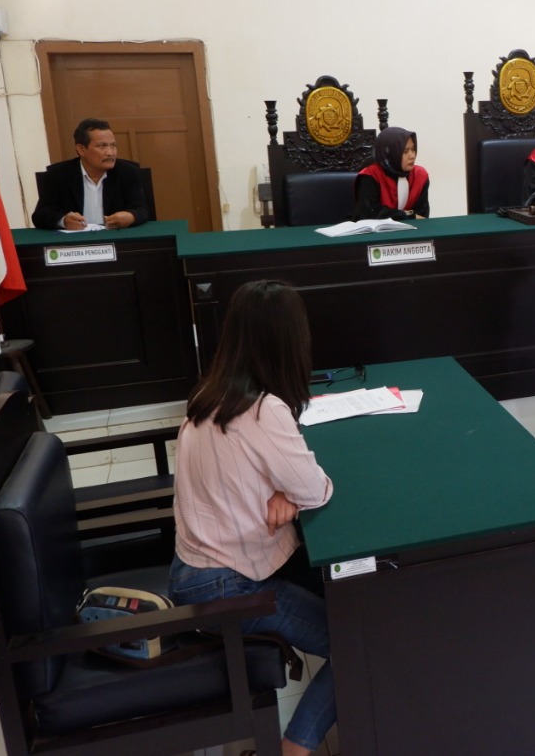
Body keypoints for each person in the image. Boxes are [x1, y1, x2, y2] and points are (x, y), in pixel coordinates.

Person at [168, 280, 335, 756]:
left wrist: (287, 492)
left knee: (345, 592)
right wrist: (294, 493)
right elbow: (317, 488)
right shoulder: (263, 410)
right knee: (363, 636)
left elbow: (281, 483)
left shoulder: (207, 395)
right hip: (230, 587)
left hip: (195, 570)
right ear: (288, 341)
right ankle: (294, 750)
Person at [31, 118, 148, 230]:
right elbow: (40, 215)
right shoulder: (58, 175)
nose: (110, 152)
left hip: (116, 240)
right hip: (75, 244)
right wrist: (63, 221)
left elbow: (142, 210)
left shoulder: (128, 173)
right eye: (102, 146)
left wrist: (131, 217)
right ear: (81, 149)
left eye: (113, 145)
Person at [352, 126, 430, 221]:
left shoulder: (420, 175)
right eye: (405, 151)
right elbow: (369, 213)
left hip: (410, 231)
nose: (412, 156)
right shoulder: (370, 176)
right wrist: (407, 215)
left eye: (413, 149)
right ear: (391, 153)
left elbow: (422, 216)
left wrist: (403, 215)